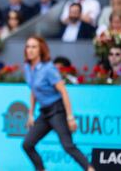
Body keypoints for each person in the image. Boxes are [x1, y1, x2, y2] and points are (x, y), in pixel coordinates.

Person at [22, 36, 95, 171]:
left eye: (34, 47)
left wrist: (70, 117)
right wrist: (31, 114)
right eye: (28, 46)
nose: (30, 50)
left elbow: (63, 92)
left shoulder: (49, 68)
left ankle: (90, 169)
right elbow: (33, 90)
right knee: (27, 144)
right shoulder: (27, 67)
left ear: (41, 50)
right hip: (44, 113)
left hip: (57, 111)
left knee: (68, 146)